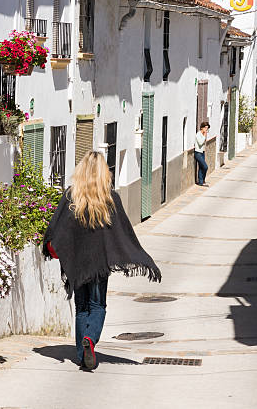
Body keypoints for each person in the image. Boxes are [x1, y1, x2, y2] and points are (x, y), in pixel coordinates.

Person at [43, 151, 161, 370]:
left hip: (77, 265)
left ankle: (82, 354)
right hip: (100, 265)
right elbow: (123, 234)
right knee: (98, 306)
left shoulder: (70, 197)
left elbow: (55, 232)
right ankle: (90, 339)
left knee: (81, 307)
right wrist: (138, 255)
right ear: (103, 173)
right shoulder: (110, 198)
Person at [195, 121, 210, 186]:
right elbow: (200, 143)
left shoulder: (202, 134)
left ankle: (201, 182)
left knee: (201, 167)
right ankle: (202, 180)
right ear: (202, 128)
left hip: (202, 152)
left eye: (207, 128)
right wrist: (204, 135)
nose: (206, 129)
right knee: (205, 167)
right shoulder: (198, 134)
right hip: (198, 153)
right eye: (206, 128)